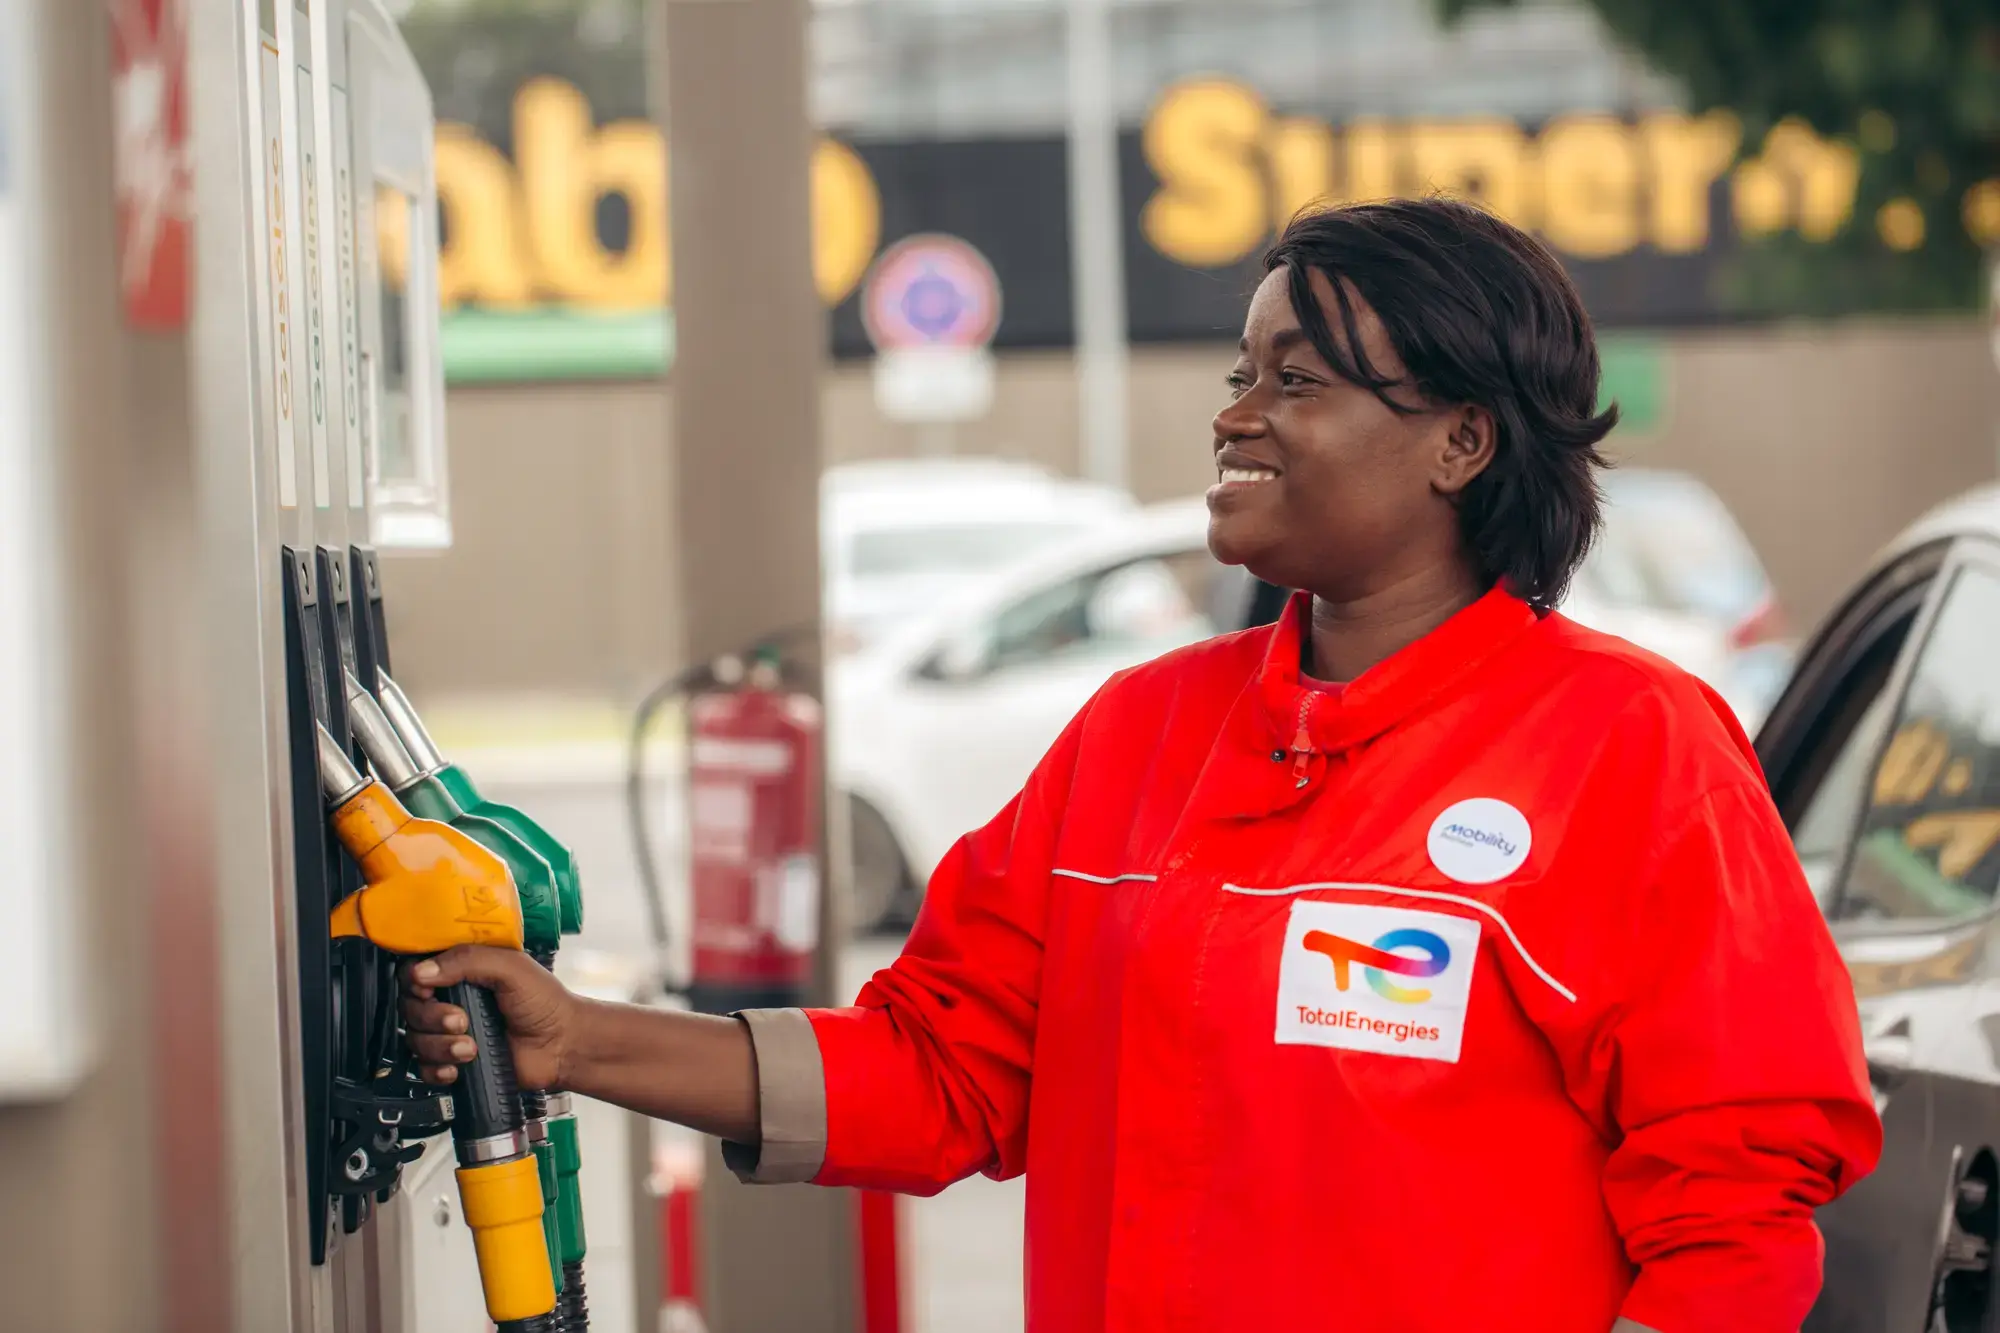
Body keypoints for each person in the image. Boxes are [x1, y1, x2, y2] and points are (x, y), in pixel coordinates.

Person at [402, 198, 1880, 1332]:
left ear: (1461, 442)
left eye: (1297, 379)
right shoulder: (1143, 735)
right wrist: (580, 1040)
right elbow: (946, 1069)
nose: (1236, 413)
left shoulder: (1629, 747)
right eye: (1241, 372)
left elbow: (1735, 1201)